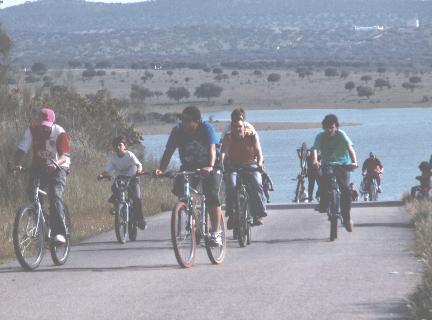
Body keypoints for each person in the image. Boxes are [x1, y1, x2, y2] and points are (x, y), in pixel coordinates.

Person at [154, 106, 223, 246]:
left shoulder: (206, 128)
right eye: (182, 120)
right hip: (189, 166)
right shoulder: (177, 131)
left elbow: (212, 149)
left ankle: (216, 233)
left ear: (196, 121)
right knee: (181, 189)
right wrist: (161, 169)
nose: (184, 123)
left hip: (211, 165)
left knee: (212, 196)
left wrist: (210, 166)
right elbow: (169, 151)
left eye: (187, 120)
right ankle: (194, 218)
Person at [14, 107, 71, 244]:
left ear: (52, 123)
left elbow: (65, 155)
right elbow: (22, 149)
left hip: (59, 165)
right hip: (39, 166)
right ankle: (41, 225)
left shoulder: (59, 132)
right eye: (41, 126)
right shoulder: (32, 130)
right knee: (32, 193)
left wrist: (55, 163)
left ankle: (60, 233)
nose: (43, 129)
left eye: (46, 127)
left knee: (54, 194)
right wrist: (17, 164)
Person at [311, 114, 358, 232]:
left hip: (343, 165)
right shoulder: (320, 136)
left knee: (346, 190)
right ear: (324, 127)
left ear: (336, 127)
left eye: (332, 127)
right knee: (324, 181)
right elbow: (315, 149)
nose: (329, 130)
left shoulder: (341, 134)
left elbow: (350, 148)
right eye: (327, 127)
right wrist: (315, 161)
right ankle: (324, 203)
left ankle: (347, 218)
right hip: (328, 164)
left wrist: (354, 162)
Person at [221, 115, 267, 227]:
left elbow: (259, 153)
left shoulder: (251, 136)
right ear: (231, 127)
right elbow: (223, 152)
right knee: (231, 186)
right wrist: (220, 163)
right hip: (233, 166)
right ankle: (231, 214)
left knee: (257, 184)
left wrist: (260, 163)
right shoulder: (228, 137)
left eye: (240, 126)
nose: (238, 129)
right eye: (235, 126)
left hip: (250, 165)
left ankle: (259, 213)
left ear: (244, 126)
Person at [97, 136, 147, 230]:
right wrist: (102, 175)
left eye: (120, 145)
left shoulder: (129, 155)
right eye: (116, 145)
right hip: (121, 179)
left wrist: (139, 171)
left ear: (125, 146)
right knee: (114, 188)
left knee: (137, 198)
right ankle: (118, 206)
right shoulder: (114, 158)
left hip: (133, 177)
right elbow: (107, 170)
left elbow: (139, 165)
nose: (118, 147)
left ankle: (140, 220)